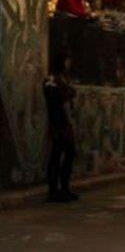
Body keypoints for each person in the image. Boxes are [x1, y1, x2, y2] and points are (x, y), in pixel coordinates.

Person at [44, 53, 78, 202]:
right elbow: (63, 102)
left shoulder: (52, 80)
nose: (69, 63)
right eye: (67, 60)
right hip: (61, 122)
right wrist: (70, 121)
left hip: (56, 122)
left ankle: (57, 189)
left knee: (57, 154)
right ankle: (60, 189)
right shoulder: (57, 81)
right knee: (66, 153)